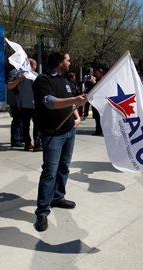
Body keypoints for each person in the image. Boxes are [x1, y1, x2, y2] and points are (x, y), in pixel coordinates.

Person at [32, 50, 87, 232]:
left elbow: (73, 105)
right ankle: (42, 211)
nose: (70, 63)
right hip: (53, 134)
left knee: (64, 166)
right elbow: (50, 102)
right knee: (50, 172)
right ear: (59, 62)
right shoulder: (43, 80)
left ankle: (58, 197)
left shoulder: (67, 81)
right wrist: (75, 100)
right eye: (68, 60)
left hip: (70, 131)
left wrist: (77, 116)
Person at [7, 58, 42, 152]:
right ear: (33, 65)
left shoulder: (20, 75)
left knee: (25, 125)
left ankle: (27, 144)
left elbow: (12, 87)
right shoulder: (34, 75)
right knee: (37, 125)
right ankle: (37, 145)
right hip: (34, 104)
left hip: (23, 105)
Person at [90, 66, 107, 136]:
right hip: (95, 102)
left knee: (100, 118)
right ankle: (98, 130)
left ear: (101, 72)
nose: (95, 74)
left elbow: (102, 90)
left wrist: (94, 84)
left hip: (101, 103)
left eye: (96, 72)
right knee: (97, 118)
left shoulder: (104, 80)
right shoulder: (97, 80)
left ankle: (100, 131)